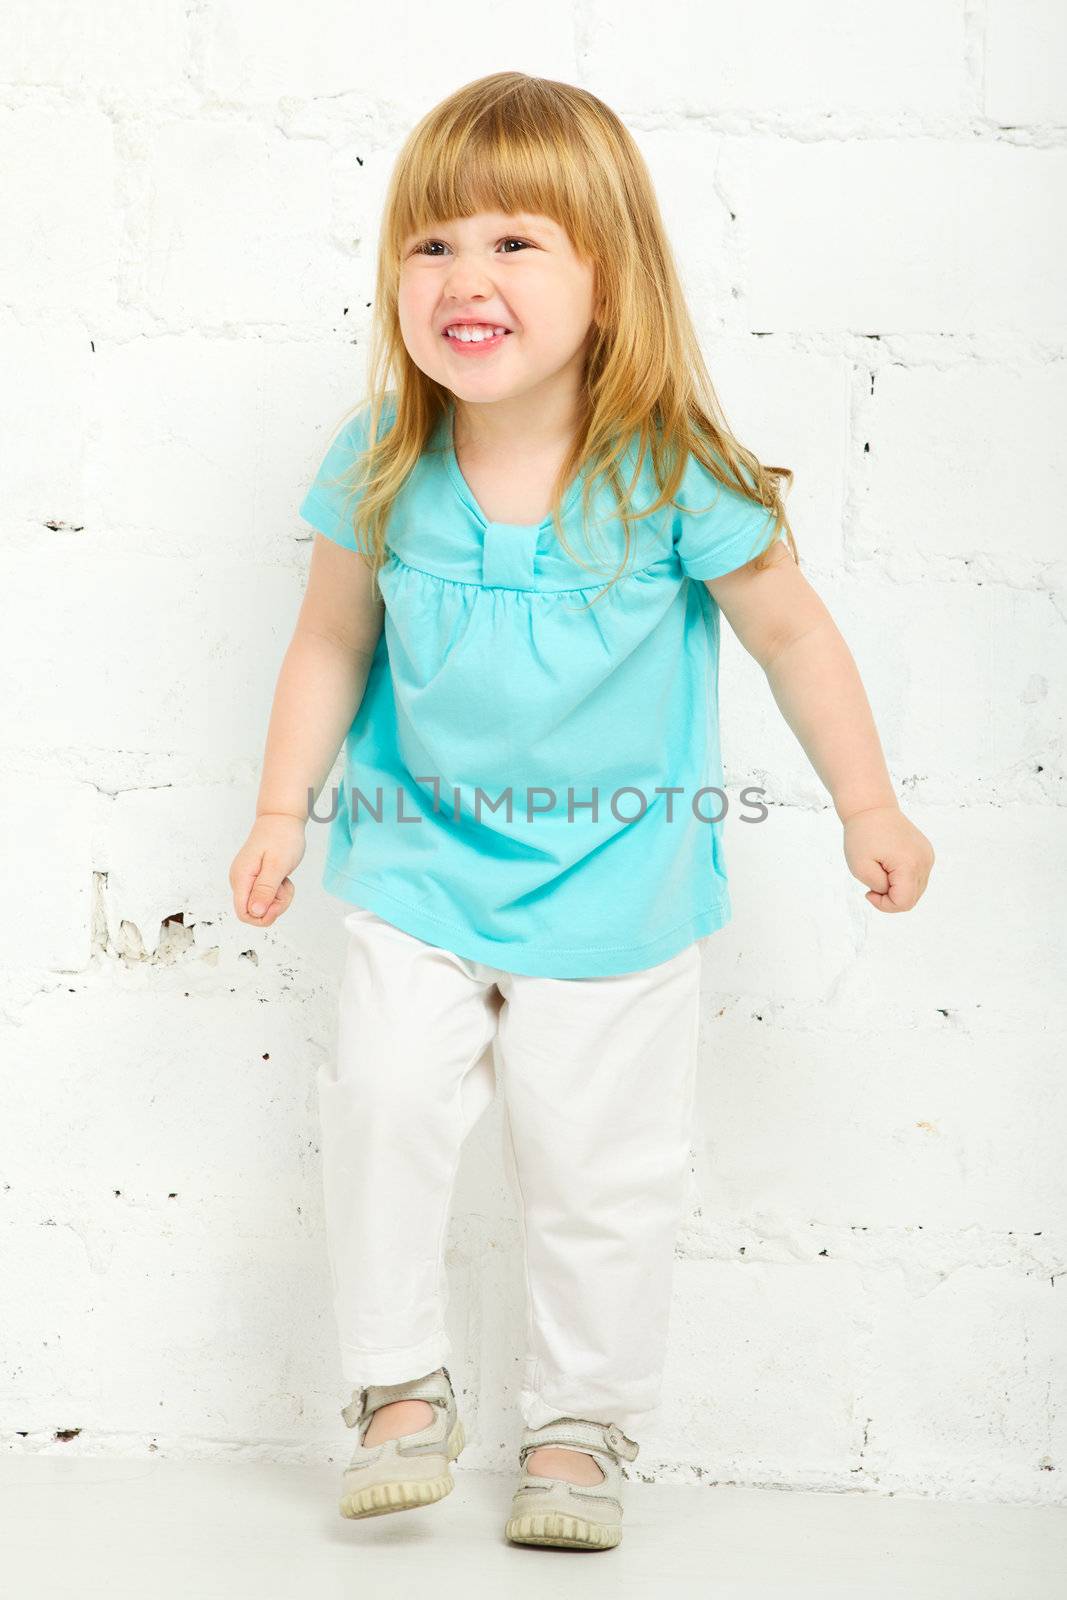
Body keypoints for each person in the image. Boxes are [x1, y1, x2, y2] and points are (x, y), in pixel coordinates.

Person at [228, 71, 934, 1552]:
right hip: (417, 863)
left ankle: (578, 1426)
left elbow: (792, 636)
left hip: (616, 886)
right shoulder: (382, 462)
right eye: (431, 246)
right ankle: (397, 1388)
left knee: (599, 1170)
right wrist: (283, 811)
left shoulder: (671, 473)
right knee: (382, 1102)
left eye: (513, 242)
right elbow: (329, 640)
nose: (463, 278)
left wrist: (865, 801)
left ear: (607, 282)